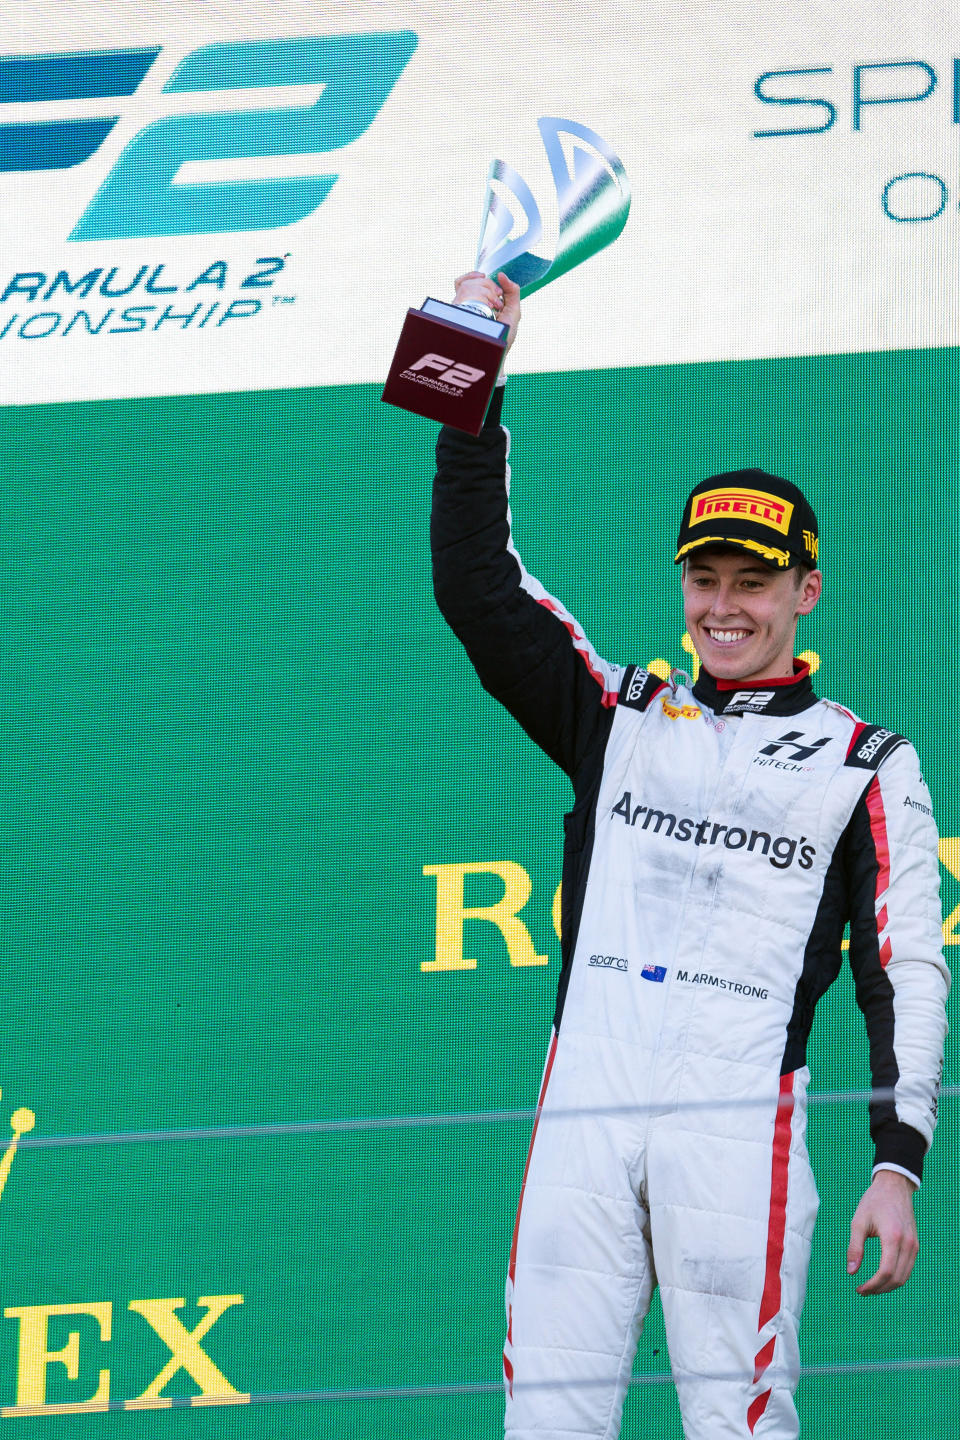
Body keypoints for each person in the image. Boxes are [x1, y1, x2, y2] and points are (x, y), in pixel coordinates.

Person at [430, 270, 950, 1440]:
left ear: (805, 592)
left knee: (742, 1427)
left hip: (739, 1132)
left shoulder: (866, 763)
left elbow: (905, 967)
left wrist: (896, 1159)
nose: (726, 606)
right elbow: (478, 588)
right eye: (705, 579)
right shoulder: (616, 717)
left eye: (754, 584)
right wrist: (472, 376)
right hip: (586, 1114)